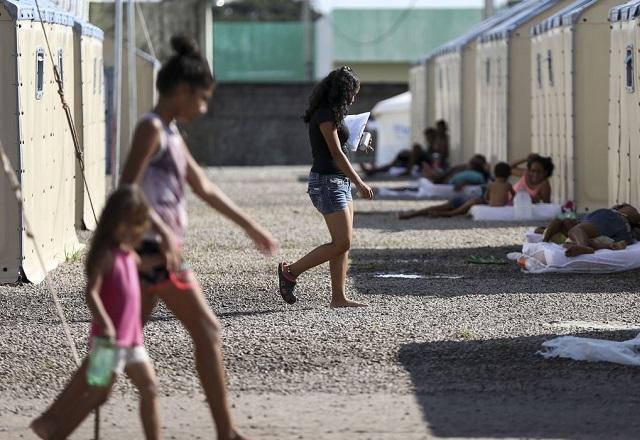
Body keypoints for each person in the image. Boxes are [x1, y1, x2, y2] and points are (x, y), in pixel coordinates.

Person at [120, 35, 278, 440]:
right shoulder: (151, 129)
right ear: (183, 90)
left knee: (118, 342)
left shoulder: (172, 134)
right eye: (203, 99)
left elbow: (204, 186)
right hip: (153, 252)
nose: (204, 109)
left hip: (156, 252)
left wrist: (249, 225)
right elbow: (128, 191)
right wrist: (161, 233)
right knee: (207, 331)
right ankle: (227, 432)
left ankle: (59, 421)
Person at [31, 186, 160, 439]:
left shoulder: (129, 255)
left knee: (149, 388)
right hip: (107, 343)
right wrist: (106, 324)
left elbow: (147, 270)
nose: (131, 230)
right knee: (97, 393)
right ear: (113, 222)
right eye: (126, 224)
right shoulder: (106, 256)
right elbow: (91, 293)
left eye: (136, 225)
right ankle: (53, 429)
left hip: (132, 341)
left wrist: (165, 260)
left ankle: (49, 424)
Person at [277, 66, 373, 308]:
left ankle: (338, 298)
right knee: (342, 242)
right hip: (327, 182)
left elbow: (342, 148)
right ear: (344, 91)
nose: (354, 98)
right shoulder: (326, 114)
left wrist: (359, 143)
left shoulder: (335, 114)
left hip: (337, 181)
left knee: (342, 243)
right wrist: (359, 182)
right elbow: (336, 154)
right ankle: (291, 271)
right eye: (353, 92)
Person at [398, 162, 513, 219]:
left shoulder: (487, 179)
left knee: (442, 206)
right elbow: (507, 196)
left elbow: (487, 195)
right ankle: (413, 214)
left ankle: (413, 214)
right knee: (443, 206)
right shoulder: (495, 181)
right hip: (471, 198)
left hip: (472, 198)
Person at [540, 204, 640, 257]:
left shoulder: (618, 211)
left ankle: (583, 246)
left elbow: (559, 220)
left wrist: (543, 242)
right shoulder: (584, 224)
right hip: (624, 236)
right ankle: (610, 246)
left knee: (576, 230)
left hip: (615, 221)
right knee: (583, 238)